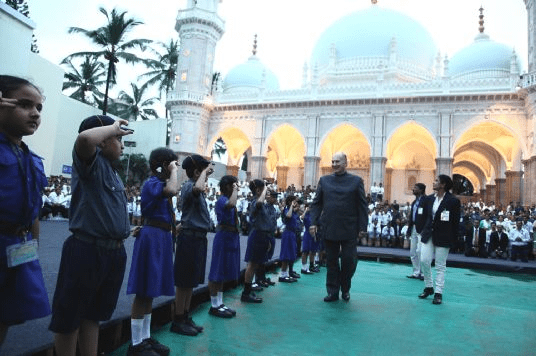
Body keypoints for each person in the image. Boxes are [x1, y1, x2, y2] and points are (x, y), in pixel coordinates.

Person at [49, 115, 133, 356]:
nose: (123, 145)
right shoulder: (90, 162)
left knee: (93, 315)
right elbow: (85, 139)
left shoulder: (112, 171)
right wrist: (113, 128)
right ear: (103, 140)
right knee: (69, 317)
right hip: (87, 249)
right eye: (118, 139)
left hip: (113, 251)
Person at [0, 76, 50, 348]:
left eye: (39, 108)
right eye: (25, 104)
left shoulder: (31, 158)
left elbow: (34, 213)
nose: (35, 113)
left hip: (18, 246)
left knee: (5, 315)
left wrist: (34, 245)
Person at [126, 148, 180, 356]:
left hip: (161, 236)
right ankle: (136, 343)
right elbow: (172, 190)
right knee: (143, 291)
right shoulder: (152, 183)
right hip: (152, 237)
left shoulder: (159, 183)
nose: (175, 167)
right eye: (172, 163)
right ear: (163, 164)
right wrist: (174, 171)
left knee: (151, 290)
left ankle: (145, 338)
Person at [310, 152, 368, 302]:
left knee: (349, 261)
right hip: (329, 227)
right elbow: (317, 204)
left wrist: (363, 227)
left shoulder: (356, 181)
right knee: (331, 262)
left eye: (338, 162)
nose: (334, 164)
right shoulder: (324, 180)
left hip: (350, 229)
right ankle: (332, 291)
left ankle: (345, 288)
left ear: (345, 163)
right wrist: (313, 223)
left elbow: (362, 205)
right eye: (333, 161)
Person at [171, 154, 213, 336]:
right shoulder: (189, 186)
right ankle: (178, 320)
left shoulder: (197, 188)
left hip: (197, 238)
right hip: (189, 238)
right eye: (203, 172)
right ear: (196, 172)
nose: (206, 177)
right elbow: (196, 188)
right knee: (183, 282)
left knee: (190, 282)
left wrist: (203, 174)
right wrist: (203, 173)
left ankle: (185, 316)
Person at [418, 175, 461, 305]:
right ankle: (429, 286)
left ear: (443, 184)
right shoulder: (429, 199)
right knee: (424, 260)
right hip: (428, 234)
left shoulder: (453, 201)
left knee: (440, 265)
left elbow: (455, 221)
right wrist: (422, 230)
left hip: (444, 235)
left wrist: (453, 238)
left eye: (437, 181)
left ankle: (438, 293)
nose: (434, 182)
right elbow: (424, 216)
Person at [207, 175, 241, 318]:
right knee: (217, 270)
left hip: (230, 236)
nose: (236, 187)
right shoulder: (222, 200)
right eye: (233, 185)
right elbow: (232, 204)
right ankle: (214, 304)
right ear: (227, 186)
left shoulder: (227, 199)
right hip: (223, 236)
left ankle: (220, 303)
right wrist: (235, 191)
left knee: (223, 271)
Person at [241, 180, 271, 303]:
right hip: (257, 235)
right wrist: (264, 190)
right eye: (263, 189)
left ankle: (249, 290)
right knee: (252, 264)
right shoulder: (255, 202)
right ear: (258, 190)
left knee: (255, 264)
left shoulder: (261, 203)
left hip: (262, 235)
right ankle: (246, 293)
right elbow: (259, 202)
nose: (266, 192)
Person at [406, 183, 427, 280]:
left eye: (415, 188)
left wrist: (426, 229)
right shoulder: (414, 202)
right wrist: (409, 230)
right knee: (413, 251)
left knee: (420, 251)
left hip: (422, 229)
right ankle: (416, 272)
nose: (413, 189)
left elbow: (428, 216)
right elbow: (411, 217)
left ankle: (423, 273)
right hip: (414, 227)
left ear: (421, 190)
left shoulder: (426, 201)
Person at [278, 195, 300, 283]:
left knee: (290, 254)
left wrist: (295, 207)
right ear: (290, 202)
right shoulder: (286, 209)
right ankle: (283, 275)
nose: (296, 203)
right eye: (294, 201)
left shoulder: (293, 211)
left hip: (292, 234)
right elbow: (288, 216)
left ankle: (287, 274)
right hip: (287, 233)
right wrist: (291, 205)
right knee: (286, 254)